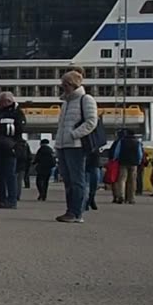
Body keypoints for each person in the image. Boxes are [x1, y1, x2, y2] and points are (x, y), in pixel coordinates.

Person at [53, 70, 99, 223]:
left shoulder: (86, 99)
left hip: (76, 146)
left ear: (73, 84)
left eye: (65, 84)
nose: (63, 87)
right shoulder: (67, 102)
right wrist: (59, 142)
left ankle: (77, 212)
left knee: (77, 179)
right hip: (63, 145)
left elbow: (92, 121)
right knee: (67, 179)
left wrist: (74, 134)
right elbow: (62, 125)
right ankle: (70, 210)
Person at [0, 91, 27, 209]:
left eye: (1, 101)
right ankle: (2, 199)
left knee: (10, 174)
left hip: (10, 147)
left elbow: (20, 128)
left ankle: (12, 200)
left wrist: (0, 128)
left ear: (8, 101)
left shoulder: (17, 113)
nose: (0, 103)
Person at [113, 129, 143, 204]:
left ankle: (121, 197)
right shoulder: (137, 142)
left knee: (122, 180)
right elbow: (140, 153)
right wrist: (138, 161)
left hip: (123, 162)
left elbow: (117, 151)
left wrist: (115, 158)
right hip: (133, 163)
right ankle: (131, 198)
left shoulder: (122, 141)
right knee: (132, 181)